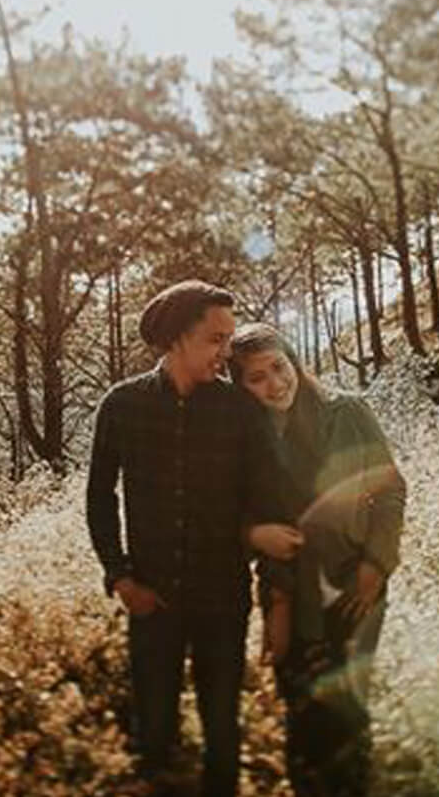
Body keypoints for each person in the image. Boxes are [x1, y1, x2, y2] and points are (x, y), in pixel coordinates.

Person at [85, 281, 302, 797]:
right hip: (150, 601)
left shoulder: (239, 411)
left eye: (229, 339)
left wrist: (276, 597)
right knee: (154, 737)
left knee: (223, 739)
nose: (226, 352)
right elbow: (99, 498)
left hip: (222, 602)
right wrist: (119, 577)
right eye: (216, 339)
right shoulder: (121, 405)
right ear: (178, 337)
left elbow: (268, 503)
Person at [233, 323, 405, 797]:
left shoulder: (345, 412)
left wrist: (376, 565)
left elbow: (389, 491)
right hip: (287, 592)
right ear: (241, 387)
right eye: (257, 377)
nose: (275, 383)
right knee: (300, 709)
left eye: (279, 367)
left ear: (294, 362)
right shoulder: (246, 443)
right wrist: (253, 536)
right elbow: (228, 516)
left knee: (347, 707)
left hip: (356, 584)